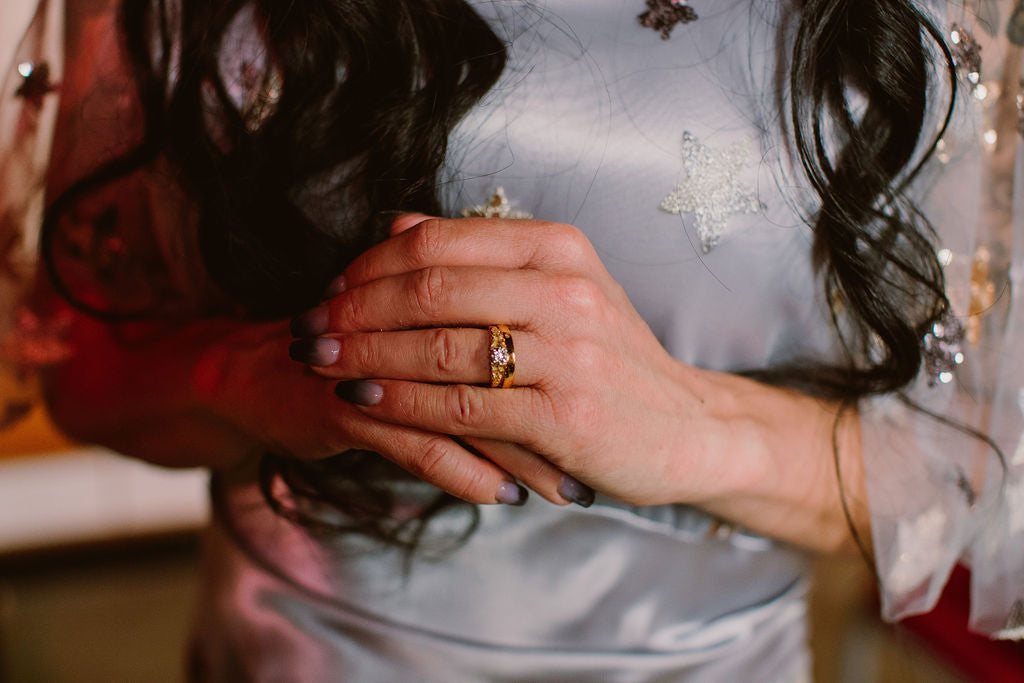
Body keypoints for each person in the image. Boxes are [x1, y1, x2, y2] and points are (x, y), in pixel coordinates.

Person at [1, 0, 1022, 679]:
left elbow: (983, 473)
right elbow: (84, 379)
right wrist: (236, 377)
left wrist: (692, 430)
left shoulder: (928, 23)